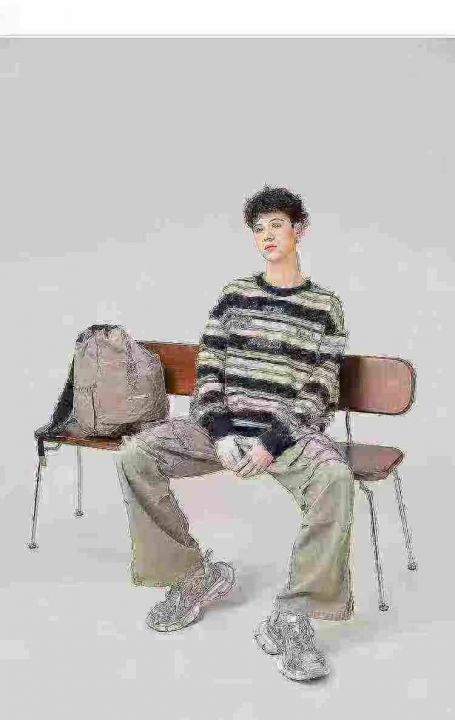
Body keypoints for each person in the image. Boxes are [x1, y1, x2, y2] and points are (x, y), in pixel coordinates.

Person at [114, 184, 355, 683]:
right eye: (259, 229)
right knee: (135, 454)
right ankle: (193, 576)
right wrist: (221, 433)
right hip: (221, 431)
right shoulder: (234, 295)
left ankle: (293, 616)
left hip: (285, 436)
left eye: (277, 225)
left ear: (300, 230)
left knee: (335, 479)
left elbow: (321, 388)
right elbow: (209, 371)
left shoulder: (325, 306)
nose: (267, 235)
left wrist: (271, 443)